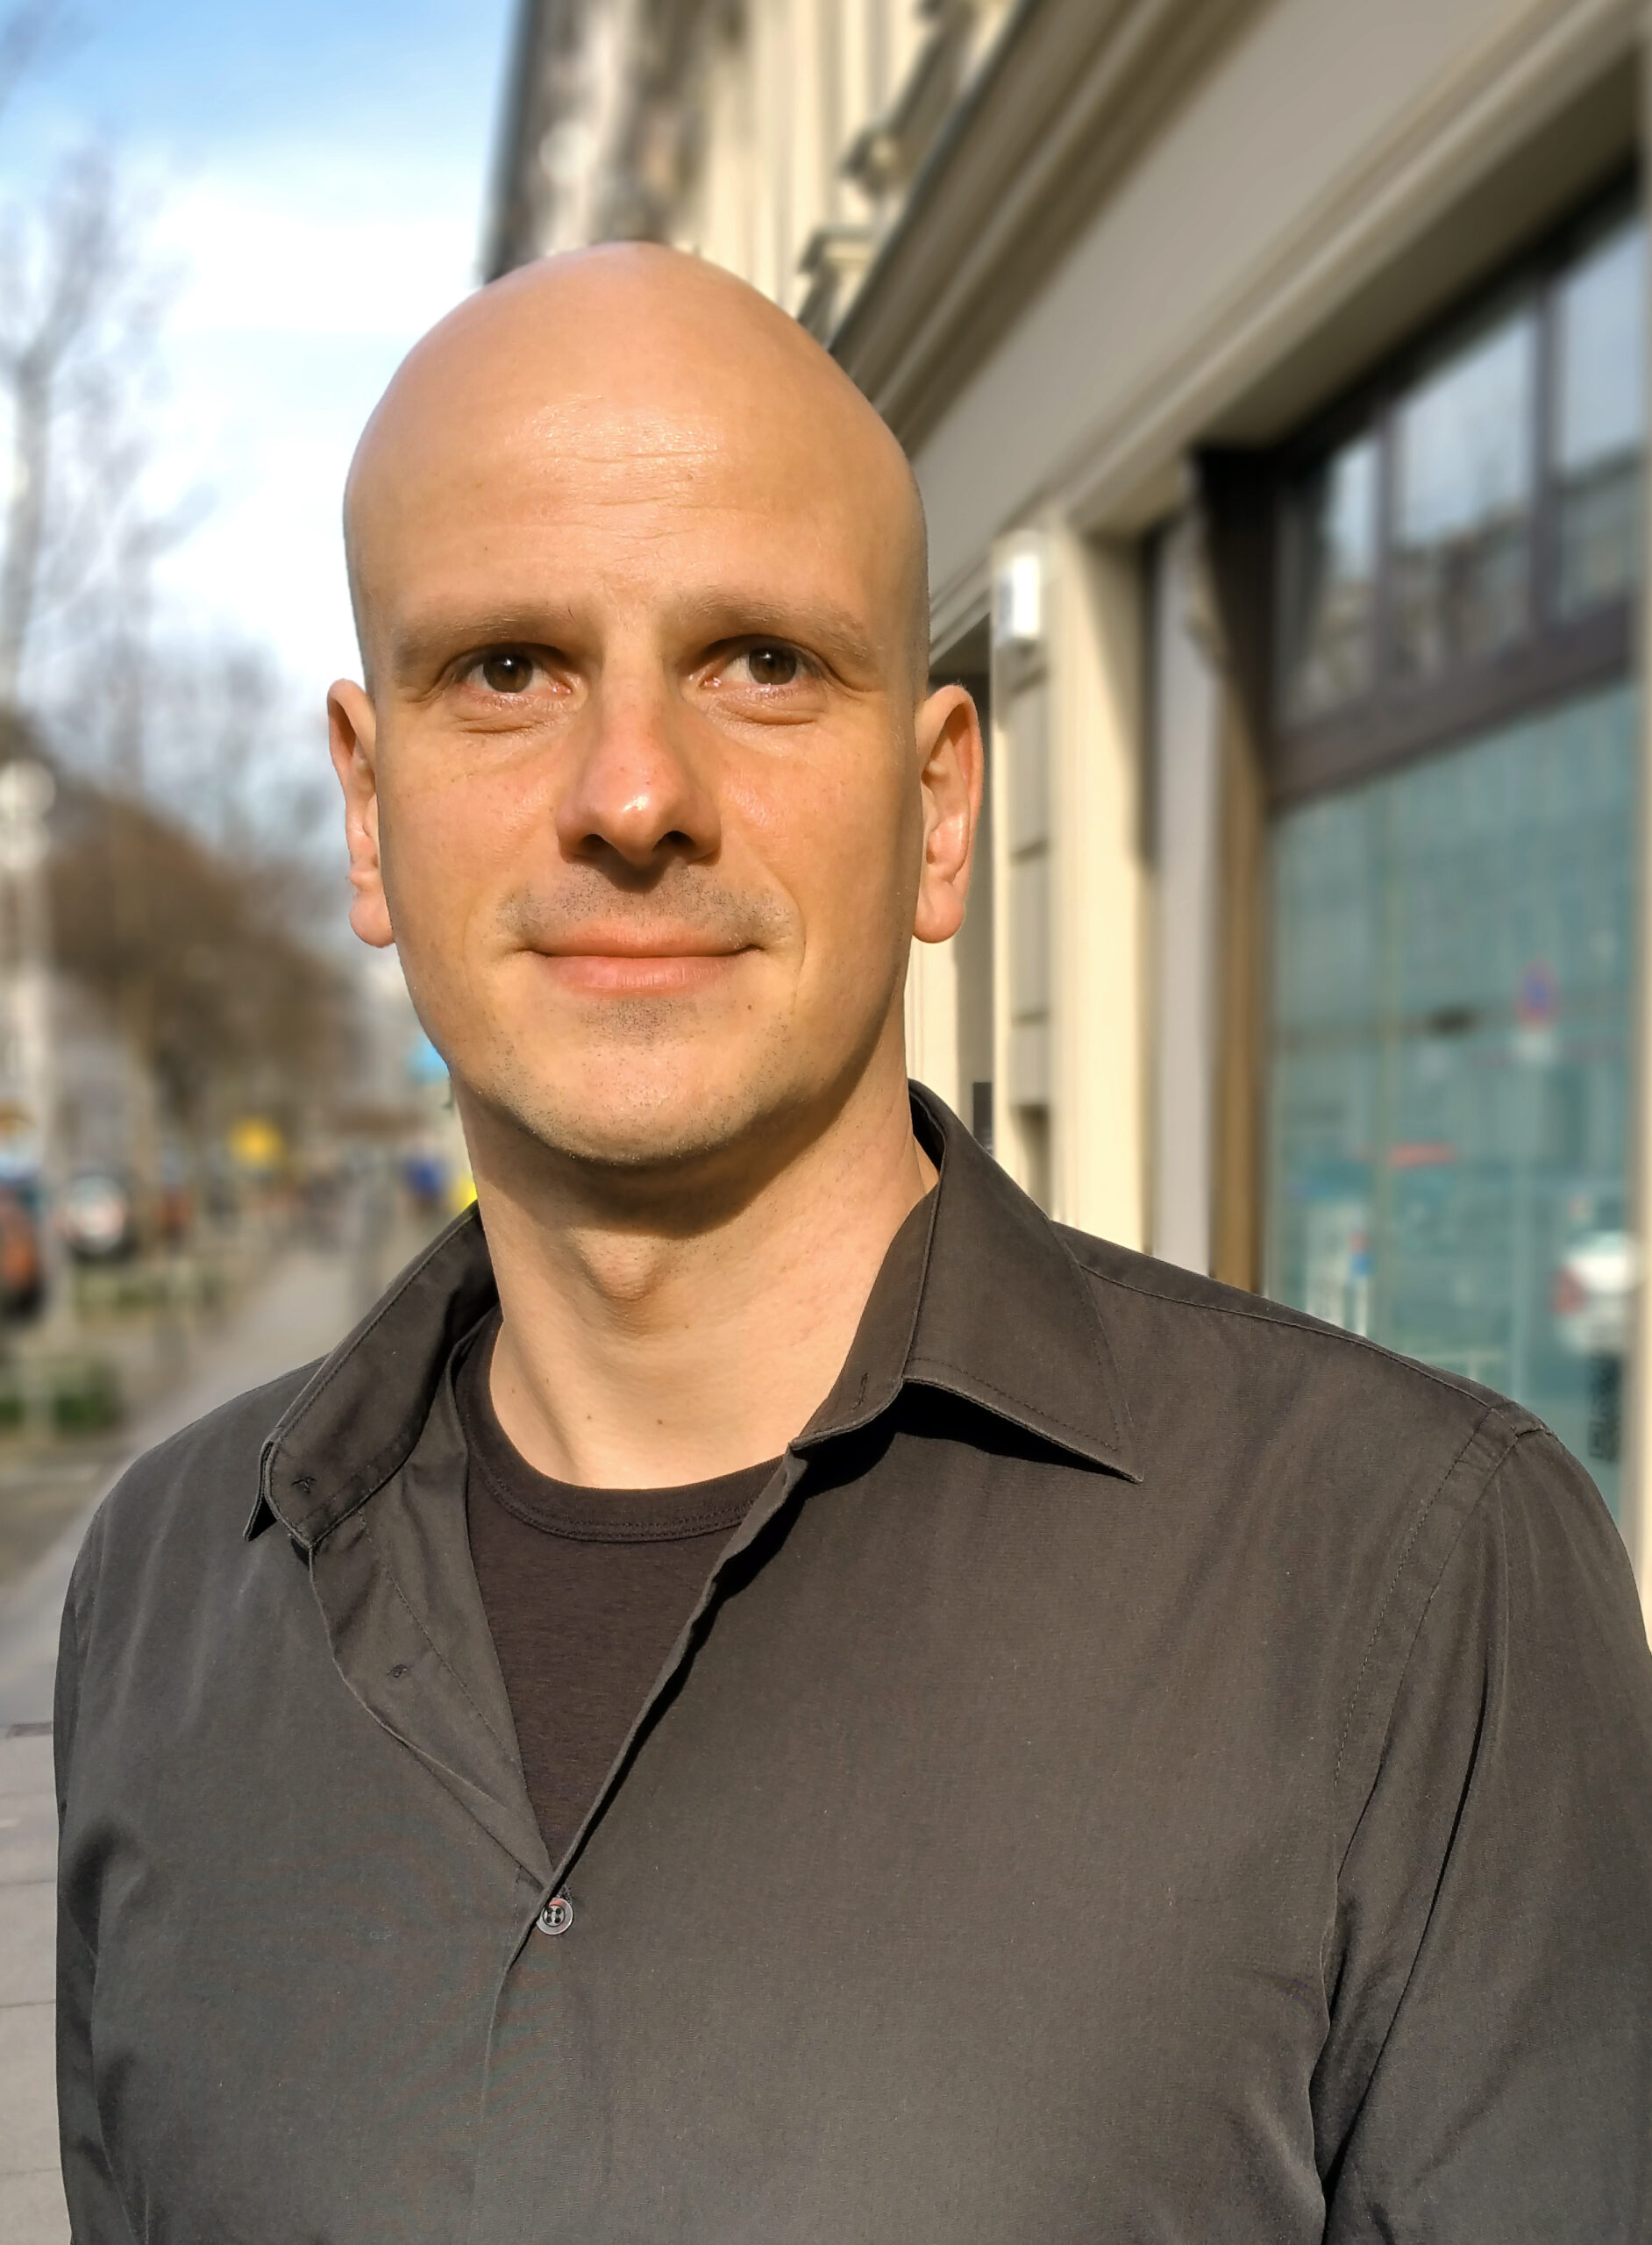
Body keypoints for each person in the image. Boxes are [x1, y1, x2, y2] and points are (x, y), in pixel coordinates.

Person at [54, 246, 1652, 2244]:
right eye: (510, 670)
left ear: (940, 803)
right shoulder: (164, 1591)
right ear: (371, 814)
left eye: (762, 662)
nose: (634, 794)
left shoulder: (1412, 1580)